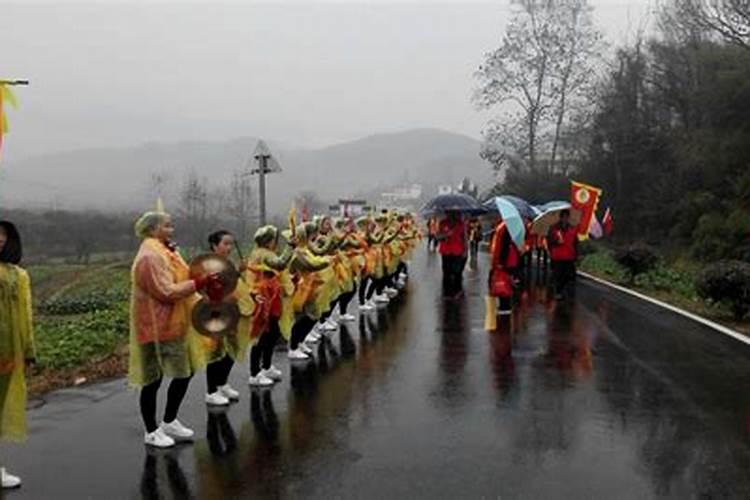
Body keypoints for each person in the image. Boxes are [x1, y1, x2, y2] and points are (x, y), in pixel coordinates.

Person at [129, 211, 212, 448]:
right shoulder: (149, 257)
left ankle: (169, 420)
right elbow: (165, 291)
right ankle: (151, 430)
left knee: (184, 371)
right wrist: (198, 284)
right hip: (155, 325)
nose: (171, 230)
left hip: (174, 323)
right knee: (152, 379)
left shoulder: (166, 252)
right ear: (153, 229)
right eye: (167, 226)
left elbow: (183, 276)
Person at [0, 221, 35, 489]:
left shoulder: (18, 275)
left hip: (7, 354)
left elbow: (25, 317)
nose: (0, 240)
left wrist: (28, 351)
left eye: (3, 236)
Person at [202, 230, 253, 406]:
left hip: (232, 309)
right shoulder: (209, 264)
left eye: (231, 244)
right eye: (225, 244)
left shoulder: (227, 262)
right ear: (214, 246)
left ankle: (222, 383)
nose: (229, 247)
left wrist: (239, 272)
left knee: (232, 347)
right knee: (216, 352)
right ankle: (211, 391)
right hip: (216, 311)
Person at [245, 225, 293, 386]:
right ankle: (254, 372)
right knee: (262, 335)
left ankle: (266, 366)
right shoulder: (262, 254)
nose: (275, 242)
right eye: (274, 239)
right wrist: (290, 247)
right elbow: (279, 264)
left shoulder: (265, 253)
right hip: (264, 296)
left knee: (272, 333)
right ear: (268, 240)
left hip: (272, 296)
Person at [489, 217, 520, 314]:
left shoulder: (504, 228)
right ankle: (506, 305)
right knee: (507, 281)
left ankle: (505, 307)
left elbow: (503, 247)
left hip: (505, 261)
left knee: (503, 282)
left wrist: (500, 263)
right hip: (511, 260)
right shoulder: (512, 228)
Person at [547, 210, 578, 300]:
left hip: (569, 256)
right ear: (560, 218)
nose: (565, 219)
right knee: (559, 275)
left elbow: (575, 242)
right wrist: (556, 242)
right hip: (557, 256)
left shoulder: (572, 228)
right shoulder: (553, 228)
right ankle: (558, 291)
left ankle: (561, 289)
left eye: (566, 217)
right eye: (563, 217)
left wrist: (576, 254)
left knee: (568, 275)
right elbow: (549, 241)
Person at [437, 211, 467, 297]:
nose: (451, 215)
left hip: (458, 251)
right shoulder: (442, 223)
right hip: (445, 251)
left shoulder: (461, 224)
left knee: (457, 272)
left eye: (453, 213)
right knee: (446, 272)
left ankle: (458, 290)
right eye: (449, 213)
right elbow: (438, 237)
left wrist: (465, 251)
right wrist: (446, 235)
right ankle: (447, 292)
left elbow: (464, 238)